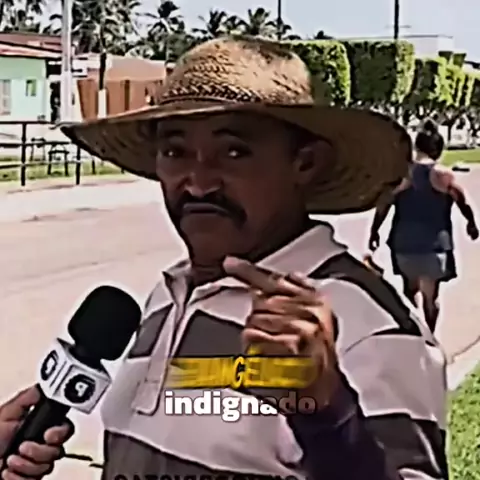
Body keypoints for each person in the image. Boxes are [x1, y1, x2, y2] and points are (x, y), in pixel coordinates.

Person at [0, 37, 449, 480]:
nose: (198, 182)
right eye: (175, 152)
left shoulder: (367, 324)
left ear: (305, 163)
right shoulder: (166, 299)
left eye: (234, 152)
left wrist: (327, 411)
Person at [368, 119, 478, 332]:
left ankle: (415, 333)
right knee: (431, 298)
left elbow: (384, 205)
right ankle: (430, 336)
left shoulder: (403, 175)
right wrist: (471, 224)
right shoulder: (444, 176)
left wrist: (374, 231)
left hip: (404, 244)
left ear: (417, 147)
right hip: (434, 246)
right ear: (438, 149)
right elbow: (462, 201)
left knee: (409, 292)